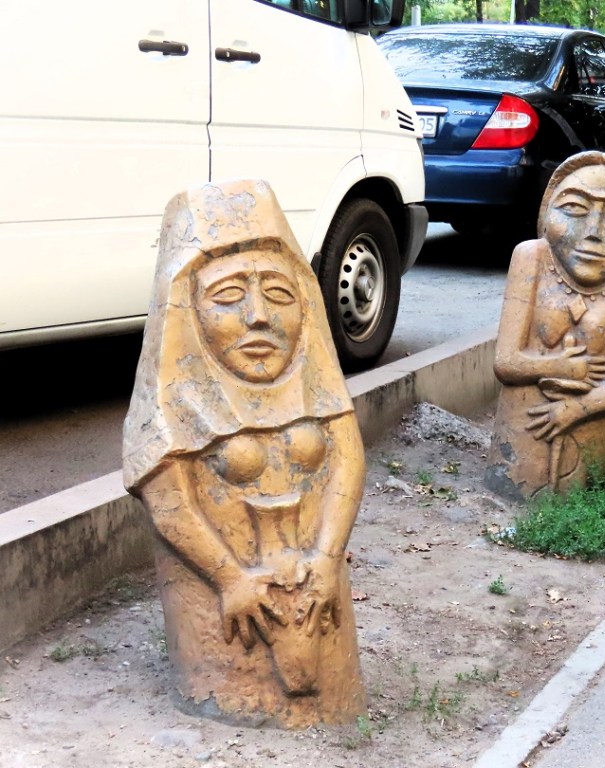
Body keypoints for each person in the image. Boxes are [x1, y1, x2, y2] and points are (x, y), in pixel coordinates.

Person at [123, 179, 366, 727]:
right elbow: (169, 506)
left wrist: (327, 560)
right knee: (236, 684)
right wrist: (230, 578)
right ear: (189, 309)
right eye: (228, 295)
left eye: (279, 294)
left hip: (311, 574)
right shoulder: (178, 400)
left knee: (327, 692)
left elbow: (348, 461)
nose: (259, 316)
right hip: (225, 586)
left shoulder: (315, 385)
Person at [484, 151, 605, 501]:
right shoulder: (531, 258)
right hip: (522, 426)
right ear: (546, 215)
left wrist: (574, 410)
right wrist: (563, 366)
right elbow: (506, 362)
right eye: (575, 209)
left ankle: (573, 510)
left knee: (574, 490)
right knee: (517, 482)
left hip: (585, 431)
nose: (593, 233)